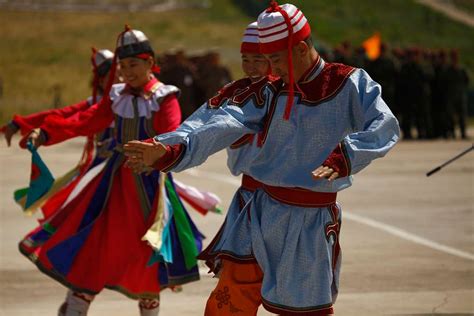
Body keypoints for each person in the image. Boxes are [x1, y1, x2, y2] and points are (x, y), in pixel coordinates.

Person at [125, 2, 400, 315]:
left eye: (276, 58)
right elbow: (219, 121)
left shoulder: (349, 84)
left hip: (308, 220)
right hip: (255, 211)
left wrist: (346, 155)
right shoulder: (266, 91)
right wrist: (171, 147)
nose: (272, 67)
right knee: (228, 305)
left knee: (303, 309)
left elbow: (384, 124)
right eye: (266, 58)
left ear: (299, 47)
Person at [20, 27, 203, 316]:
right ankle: (75, 308)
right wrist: (45, 133)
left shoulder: (164, 97)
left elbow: (173, 135)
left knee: (148, 255)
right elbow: (86, 120)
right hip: (112, 189)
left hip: (149, 191)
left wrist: (153, 157)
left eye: (133, 65)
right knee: (94, 245)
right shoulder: (117, 96)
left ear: (150, 62)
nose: (127, 72)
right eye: (123, 66)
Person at [0, 48, 116, 217]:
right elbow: (66, 117)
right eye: (110, 76)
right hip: (105, 172)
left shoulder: (150, 97)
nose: (119, 77)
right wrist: (22, 124)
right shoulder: (99, 104)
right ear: (101, 81)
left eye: (121, 70)